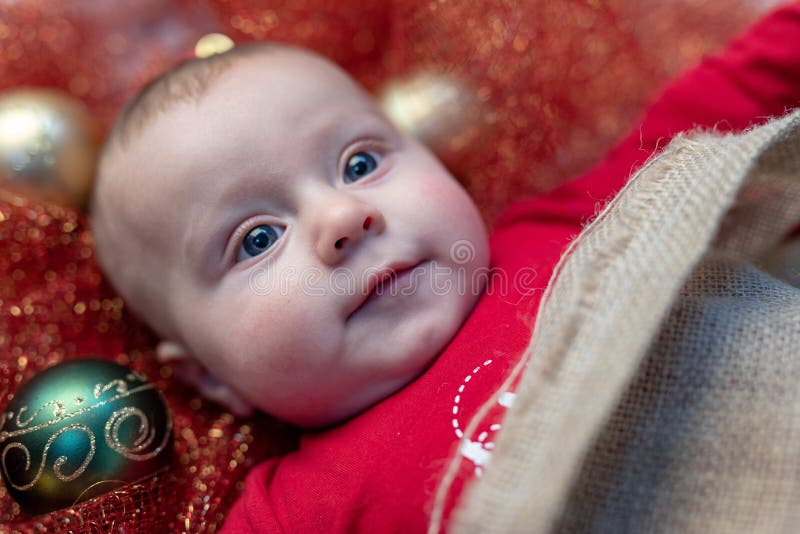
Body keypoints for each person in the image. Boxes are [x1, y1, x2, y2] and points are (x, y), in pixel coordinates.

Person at [90, 2, 800, 531]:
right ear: (212, 376)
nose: (342, 220)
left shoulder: (557, 229)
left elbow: (724, 105)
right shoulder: (296, 510)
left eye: (359, 163)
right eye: (255, 240)